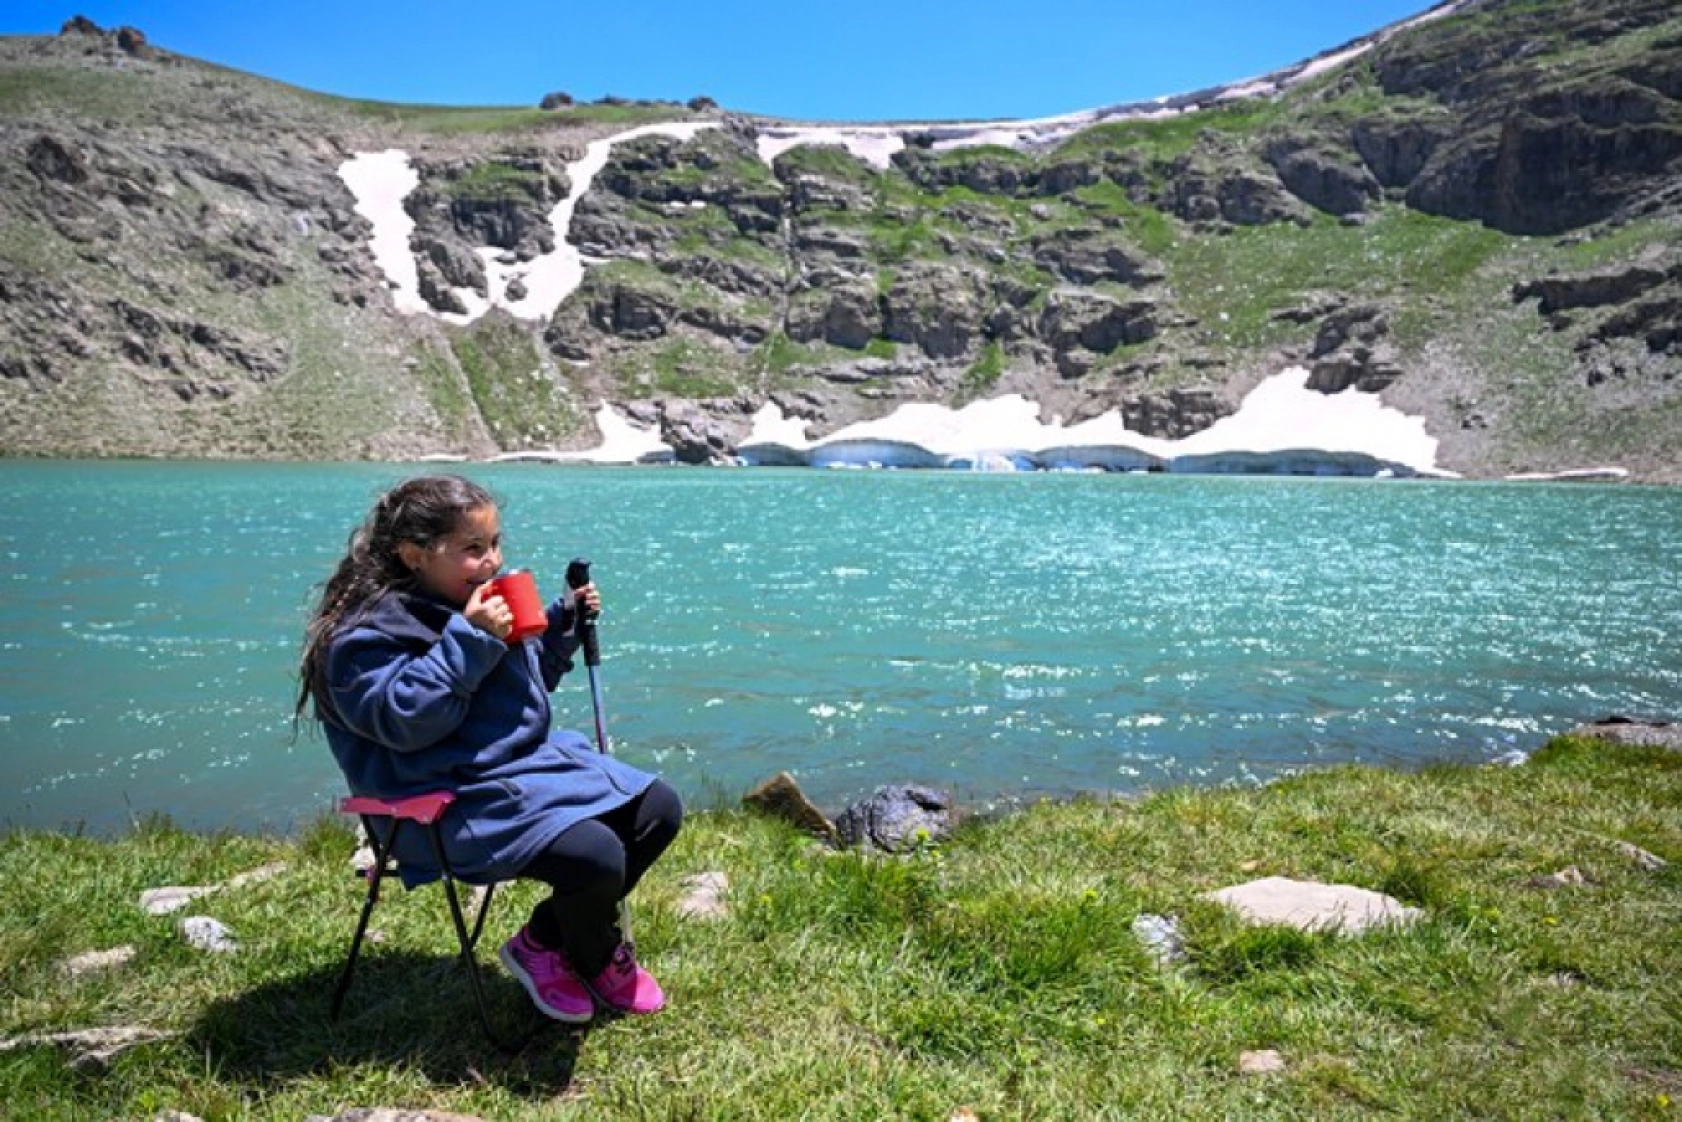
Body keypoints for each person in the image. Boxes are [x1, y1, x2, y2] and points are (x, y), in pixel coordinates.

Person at [296, 473, 682, 1023]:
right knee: (596, 855)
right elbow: (406, 722)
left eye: (495, 544)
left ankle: (545, 941)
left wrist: (561, 626)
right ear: (414, 556)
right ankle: (592, 955)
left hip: (510, 775)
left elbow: (520, 693)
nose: (492, 561)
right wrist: (474, 639)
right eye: (472, 549)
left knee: (657, 810)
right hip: (435, 799)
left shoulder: (474, 607)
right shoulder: (364, 637)